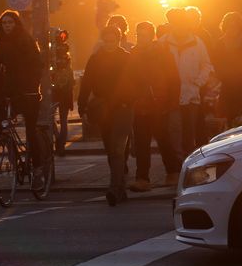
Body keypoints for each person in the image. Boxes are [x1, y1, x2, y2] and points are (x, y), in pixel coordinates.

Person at [0, 10, 44, 189]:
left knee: (31, 131)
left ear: (17, 24)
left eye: (10, 22)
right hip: (11, 92)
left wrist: (31, 87)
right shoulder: (0, 45)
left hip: (28, 93)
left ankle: (38, 171)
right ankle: (13, 153)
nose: (7, 26)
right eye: (4, 23)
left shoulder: (26, 41)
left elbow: (37, 66)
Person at [78, 25, 137, 206]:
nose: (109, 44)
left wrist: (131, 100)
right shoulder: (95, 59)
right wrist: (82, 105)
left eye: (113, 40)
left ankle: (113, 188)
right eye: (106, 40)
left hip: (123, 108)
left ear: (119, 40)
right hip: (103, 110)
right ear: (102, 40)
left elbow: (136, 82)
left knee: (118, 148)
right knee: (112, 150)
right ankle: (120, 186)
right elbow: (86, 83)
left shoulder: (127, 58)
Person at [158, 7, 213, 183]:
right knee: (174, 134)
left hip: (191, 96)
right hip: (171, 98)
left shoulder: (197, 42)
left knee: (190, 136)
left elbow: (206, 64)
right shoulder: (163, 43)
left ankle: (189, 172)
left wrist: (198, 81)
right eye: (175, 22)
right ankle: (178, 170)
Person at [129, 20, 180, 193]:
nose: (140, 38)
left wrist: (171, 101)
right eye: (138, 35)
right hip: (141, 104)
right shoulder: (133, 53)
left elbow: (173, 78)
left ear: (151, 36)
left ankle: (173, 172)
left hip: (160, 103)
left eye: (143, 35)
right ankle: (142, 178)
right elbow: (128, 79)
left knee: (163, 139)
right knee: (141, 143)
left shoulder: (162, 53)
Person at [214, 12, 242, 126]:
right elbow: (216, 62)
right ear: (225, 26)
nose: (232, 27)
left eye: (235, 24)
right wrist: (222, 76)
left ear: (240, 25)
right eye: (230, 24)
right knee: (230, 117)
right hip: (228, 85)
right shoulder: (220, 43)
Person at [50, 29, 74, 156]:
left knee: (51, 117)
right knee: (63, 119)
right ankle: (61, 144)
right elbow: (70, 75)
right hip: (64, 89)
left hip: (54, 89)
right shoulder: (65, 52)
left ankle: (58, 139)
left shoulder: (51, 52)